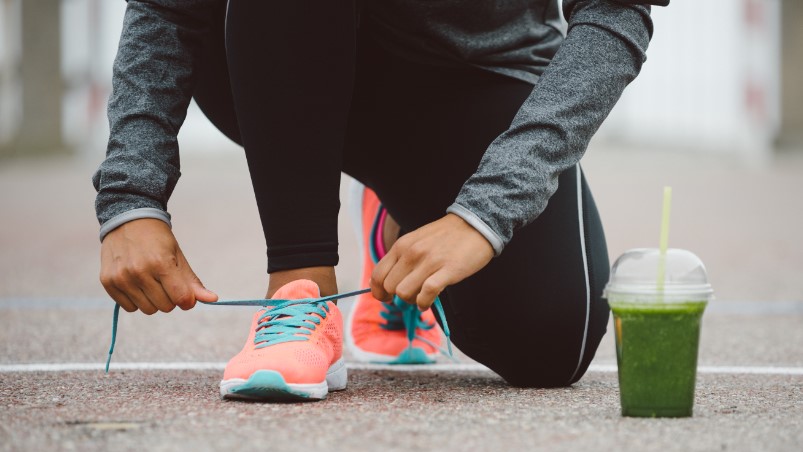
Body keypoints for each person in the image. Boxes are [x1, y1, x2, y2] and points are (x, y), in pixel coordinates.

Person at [94, 0, 667, 401]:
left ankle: (400, 216)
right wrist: (132, 197)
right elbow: (166, 7)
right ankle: (300, 296)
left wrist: (485, 213)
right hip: (276, 50)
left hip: (478, 73)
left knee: (549, 346)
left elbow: (617, 10)